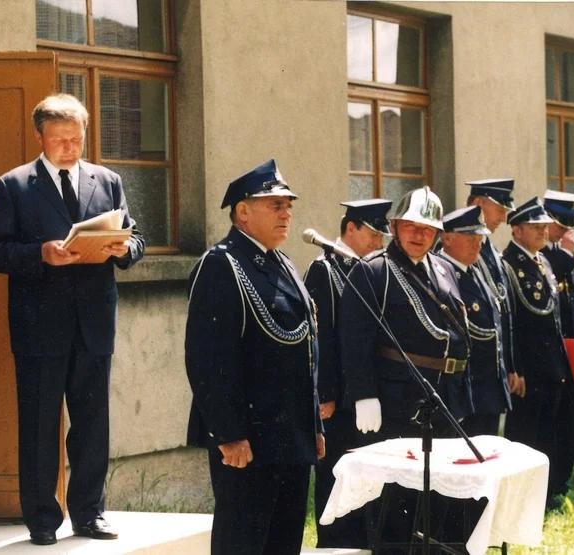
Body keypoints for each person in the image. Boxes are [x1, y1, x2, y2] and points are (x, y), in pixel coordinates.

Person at [0, 93, 145, 545]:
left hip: (93, 324)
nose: (70, 148)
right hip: (39, 327)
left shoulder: (107, 181)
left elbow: (135, 238)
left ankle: (90, 513)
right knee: (38, 425)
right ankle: (42, 520)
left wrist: (125, 249)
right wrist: (40, 254)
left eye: (77, 139)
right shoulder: (12, 186)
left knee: (92, 423)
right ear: (39, 137)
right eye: (60, 140)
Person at [185, 159, 325, 555]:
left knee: (283, 545)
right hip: (249, 439)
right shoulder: (221, 264)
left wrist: (312, 424)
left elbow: (305, 352)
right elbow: (207, 359)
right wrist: (228, 434)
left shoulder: (283, 263)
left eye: (288, 205)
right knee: (243, 544)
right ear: (243, 212)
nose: (287, 213)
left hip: (290, 437)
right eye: (275, 205)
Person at [340, 186, 473, 553]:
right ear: (395, 227)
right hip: (397, 403)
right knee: (395, 507)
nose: (419, 235)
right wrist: (363, 395)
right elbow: (353, 339)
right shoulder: (373, 271)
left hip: (444, 399)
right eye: (411, 226)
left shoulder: (444, 269)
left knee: (441, 499)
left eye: (427, 229)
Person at [304, 199, 391, 549]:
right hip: (337, 401)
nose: (378, 243)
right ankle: (335, 545)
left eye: (381, 236)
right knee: (336, 478)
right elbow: (319, 335)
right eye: (372, 234)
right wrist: (324, 393)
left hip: (363, 396)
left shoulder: (366, 271)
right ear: (350, 229)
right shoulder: (326, 269)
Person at [437, 205, 510, 541]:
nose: (478, 244)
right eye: (470, 237)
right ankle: (459, 536)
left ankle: (476, 534)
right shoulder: (443, 273)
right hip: (467, 389)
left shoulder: (473, 271)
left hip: (487, 386)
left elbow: (494, 325)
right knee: (462, 470)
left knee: (484, 465)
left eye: (480, 237)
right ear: (447, 238)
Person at [501, 198, 572, 499]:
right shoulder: (508, 265)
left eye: (545, 226)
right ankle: (523, 499)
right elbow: (510, 322)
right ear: (517, 231)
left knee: (548, 434)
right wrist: (515, 368)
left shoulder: (541, 261)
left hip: (551, 365)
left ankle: (545, 495)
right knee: (525, 437)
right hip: (528, 369)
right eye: (535, 227)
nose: (543, 231)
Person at [541, 191, 574, 498]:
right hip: (550, 355)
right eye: (560, 225)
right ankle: (551, 485)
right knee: (552, 424)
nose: (565, 232)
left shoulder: (566, 253)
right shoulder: (546, 255)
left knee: (571, 421)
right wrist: (568, 253)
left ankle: (562, 481)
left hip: (572, 349)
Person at [466, 179, 525, 400]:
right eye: (499, 210)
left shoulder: (491, 248)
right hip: (473, 372)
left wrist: (511, 366)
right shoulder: (454, 244)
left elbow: (505, 314)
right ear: (478, 204)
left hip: (495, 372)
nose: (503, 218)